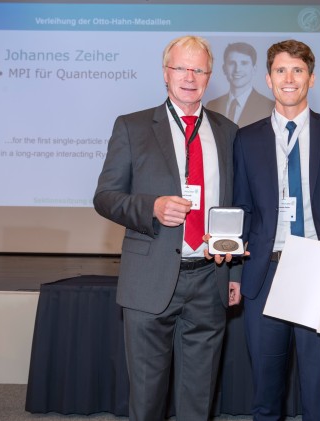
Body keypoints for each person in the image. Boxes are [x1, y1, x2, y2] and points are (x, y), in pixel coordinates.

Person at [93, 35, 240, 421]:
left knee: (199, 398)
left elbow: (240, 204)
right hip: (149, 278)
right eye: (181, 68)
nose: (189, 77)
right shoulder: (132, 126)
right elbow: (105, 197)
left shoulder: (228, 131)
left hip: (210, 277)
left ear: (210, 76)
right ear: (165, 73)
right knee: (146, 399)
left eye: (198, 69)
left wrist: (235, 270)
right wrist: (150, 207)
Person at [232, 39, 320, 421]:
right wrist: (227, 247)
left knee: (317, 391)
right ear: (269, 78)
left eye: (297, 71)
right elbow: (242, 207)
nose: (288, 78)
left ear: (311, 78)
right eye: (280, 70)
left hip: (319, 270)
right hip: (265, 273)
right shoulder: (246, 139)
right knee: (266, 394)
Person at [206, 42, 275, 127]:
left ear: (254, 69)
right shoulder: (212, 105)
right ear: (224, 68)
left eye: (244, 63)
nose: (237, 69)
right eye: (232, 63)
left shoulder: (269, 106)